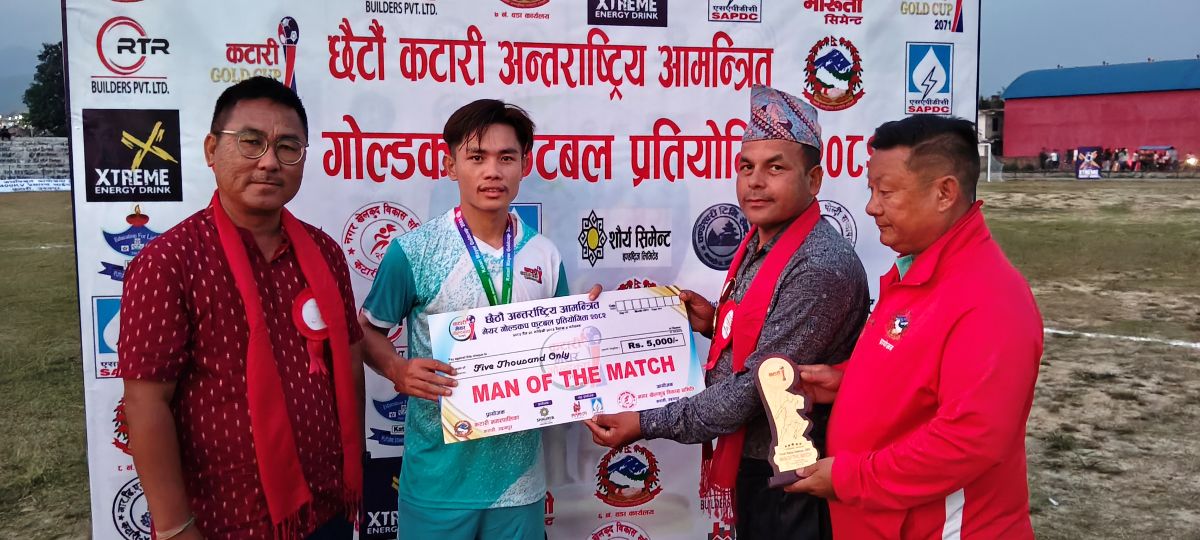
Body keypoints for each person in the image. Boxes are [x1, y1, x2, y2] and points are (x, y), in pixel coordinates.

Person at [585, 84, 870, 540]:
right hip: (761, 463)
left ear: (814, 180)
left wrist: (644, 422)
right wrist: (716, 323)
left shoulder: (819, 264)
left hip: (797, 474)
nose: (755, 181)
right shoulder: (763, 241)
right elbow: (766, 335)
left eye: (775, 167)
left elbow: (758, 386)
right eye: (746, 167)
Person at [119, 77, 365, 539]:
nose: (269, 162)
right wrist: (174, 528)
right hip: (225, 521)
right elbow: (146, 403)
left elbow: (347, 364)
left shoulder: (326, 253)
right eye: (251, 142)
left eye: (288, 147)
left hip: (326, 508)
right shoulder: (169, 263)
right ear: (212, 150)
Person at [785, 115, 1043, 539]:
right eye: (871, 191)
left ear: (944, 193)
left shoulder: (989, 299)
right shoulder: (917, 269)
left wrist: (851, 478)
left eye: (886, 192)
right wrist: (847, 382)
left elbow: (969, 441)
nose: (872, 207)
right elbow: (916, 373)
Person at [357, 99, 600, 540]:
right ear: (451, 165)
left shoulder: (544, 255)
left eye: (506, 158)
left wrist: (587, 324)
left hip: (519, 483)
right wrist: (396, 369)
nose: (493, 171)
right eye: (476, 157)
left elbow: (563, 351)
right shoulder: (414, 251)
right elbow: (367, 329)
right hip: (436, 482)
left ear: (525, 165)